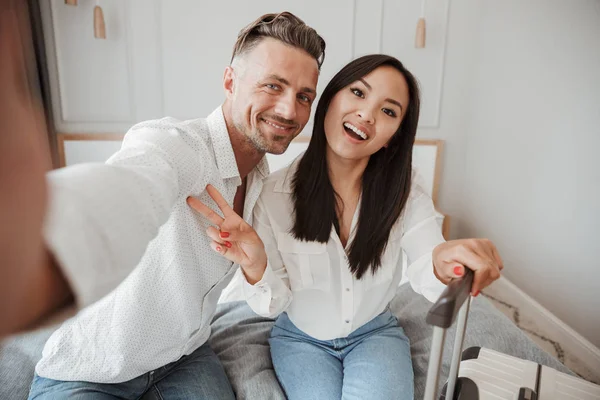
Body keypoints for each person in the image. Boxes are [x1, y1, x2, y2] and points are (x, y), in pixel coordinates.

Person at [27, 12, 326, 399]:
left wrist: (256, 265)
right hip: (92, 368)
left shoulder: (266, 187)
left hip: (185, 357)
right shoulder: (178, 146)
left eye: (304, 97)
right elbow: (133, 182)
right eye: (273, 86)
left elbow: (271, 301)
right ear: (230, 81)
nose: (290, 111)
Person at [188, 54, 504, 400]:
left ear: (393, 138)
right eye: (358, 93)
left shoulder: (406, 191)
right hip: (300, 340)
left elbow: (427, 255)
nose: (367, 114)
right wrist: (255, 265)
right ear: (329, 100)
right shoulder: (273, 196)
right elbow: (271, 304)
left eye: (388, 111)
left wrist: (445, 258)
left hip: (375, 334)